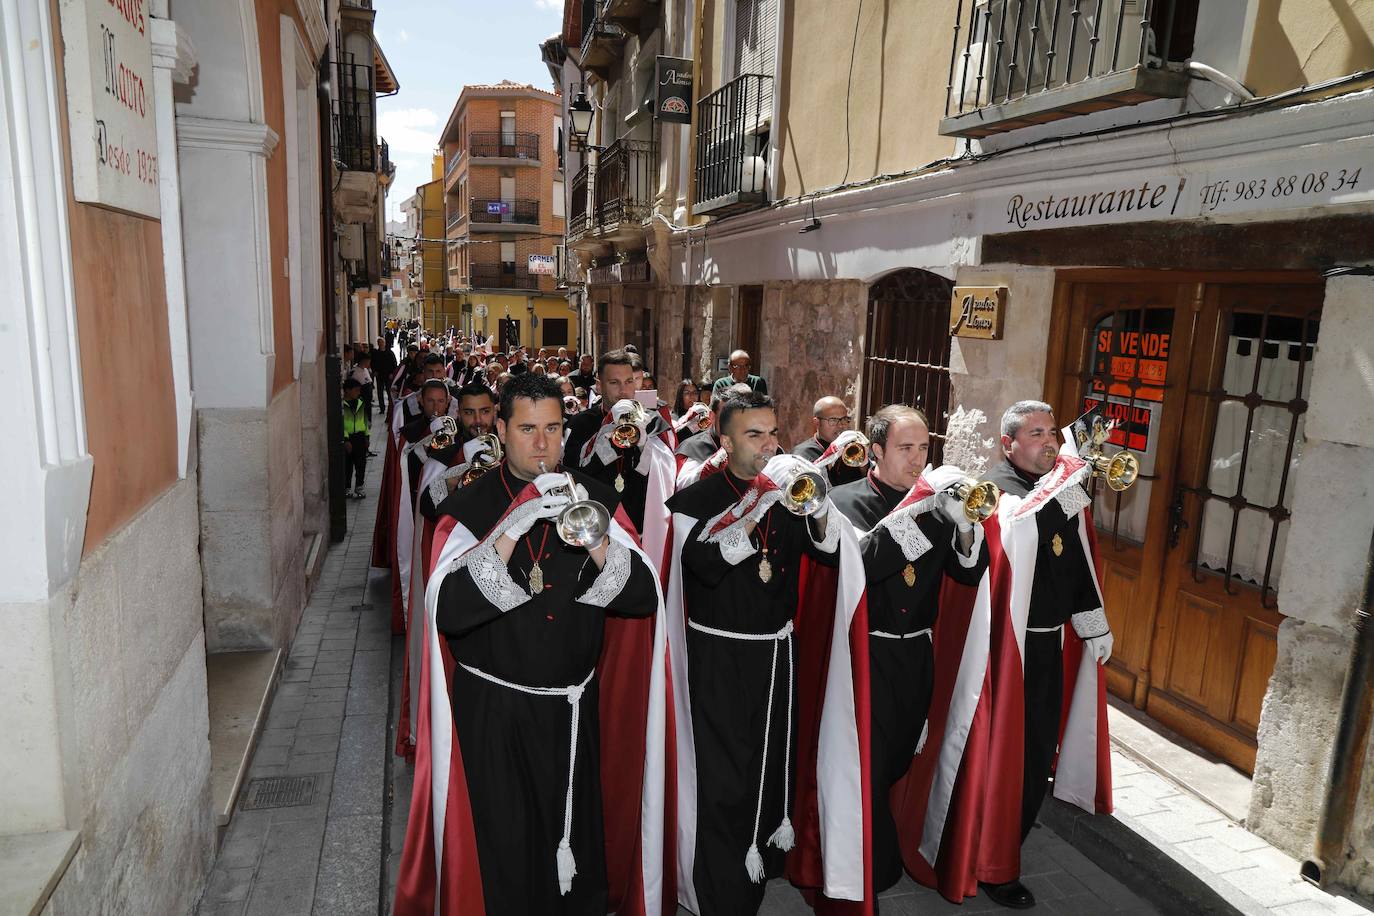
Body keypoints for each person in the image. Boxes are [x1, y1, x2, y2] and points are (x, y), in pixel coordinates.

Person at [395, 373, 669, 916]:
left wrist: (592, 536)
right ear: (501, 429)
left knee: (572, 849)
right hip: (495, 715)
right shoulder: (470, 506)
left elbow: (642, 598)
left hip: (572, 712)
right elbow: (447, 609)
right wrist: (512, 528)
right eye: (526, 429)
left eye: (552, 428)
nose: (542, 444)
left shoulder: (590, 496)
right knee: (507, 854)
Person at [910, 400, 1112, 909]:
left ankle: (1008, 844)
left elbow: (1077, 557)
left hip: (1049, 644)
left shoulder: (1056, 490)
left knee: (1038, 755)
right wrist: (1063, 488)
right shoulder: (996, 492)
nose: (1049, 442)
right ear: (1009, 443)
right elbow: (1015, 538)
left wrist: (1093, 621)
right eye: (1037, 434)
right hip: (1006, 652)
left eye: (1052, 433)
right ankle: (994, 866)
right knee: (1005, 759)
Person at [666, 389, 839, 915]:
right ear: (724, 440)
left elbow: (829, 551)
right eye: (754, 434)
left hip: (776, 652)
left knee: (769, 761)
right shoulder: (697, 497)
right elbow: (703, 566)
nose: (769, 445)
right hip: (719, 653)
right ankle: (720, 889)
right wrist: (753, 506)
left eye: (773, 433)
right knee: (724, 775)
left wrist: (818, 505)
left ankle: (759, 863)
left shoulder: (790, 490)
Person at [827, 405, 989, 897]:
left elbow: (966, 573)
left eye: (923, 448)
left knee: (898, 756)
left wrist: (963, 526)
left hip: (916, 655)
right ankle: (867, 865)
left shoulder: (939, 505)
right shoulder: (845, 500)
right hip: (864, 656)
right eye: (905, 448)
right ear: (875, 452)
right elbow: (865, 565)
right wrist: (918, 509)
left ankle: (877, 849)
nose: (918, 460)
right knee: (869, 764)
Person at [562, 349, 676, 560]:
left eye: (629, 381)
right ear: (599, 385)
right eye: (614, 383)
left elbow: (666, 477)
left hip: (641, 527)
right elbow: (571, 472)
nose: (624, 390)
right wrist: (607, 434)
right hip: (596, 531)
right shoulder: (581, 423)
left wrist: (644, 445)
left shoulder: (653, 421)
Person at [793, 396, 868, 487]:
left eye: (844, 419)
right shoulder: (802, 454)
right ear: (817, 423)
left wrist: (864, 464)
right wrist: (830, 456)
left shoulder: (854, 447)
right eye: (833, 420)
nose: (841, 425)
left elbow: (868, 483)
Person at [342, 378, 370, 499]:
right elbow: (341, 424)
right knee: (347, 464)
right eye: (356, 390)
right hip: (348, 437)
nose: (358, 393)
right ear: (347, 391)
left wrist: (367, 436)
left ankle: (359, 486)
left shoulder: (360, 403)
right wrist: (346, 439)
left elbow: (365, 420)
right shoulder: (342, 405)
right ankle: (347, 487)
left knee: (361, 463)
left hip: (360, 437)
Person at [372, 336, 398, 417]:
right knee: (380, 392)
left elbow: (394, 363)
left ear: (385, 343)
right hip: (379, 375)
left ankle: (391, 407)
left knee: (389, 392)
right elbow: (372, 363)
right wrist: (374, 371)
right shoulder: (376, 353)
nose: (381, 344)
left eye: (382, 342)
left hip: (388, 375)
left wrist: (392, 373)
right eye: (379, 343)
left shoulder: (390, 353)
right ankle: (382, 408)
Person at [350, 352, 374, 417]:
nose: (369, 363)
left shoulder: (366, 370)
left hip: (368, 400)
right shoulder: (355, 372)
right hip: (361, 398)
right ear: (364, 361)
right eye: (368, 362)